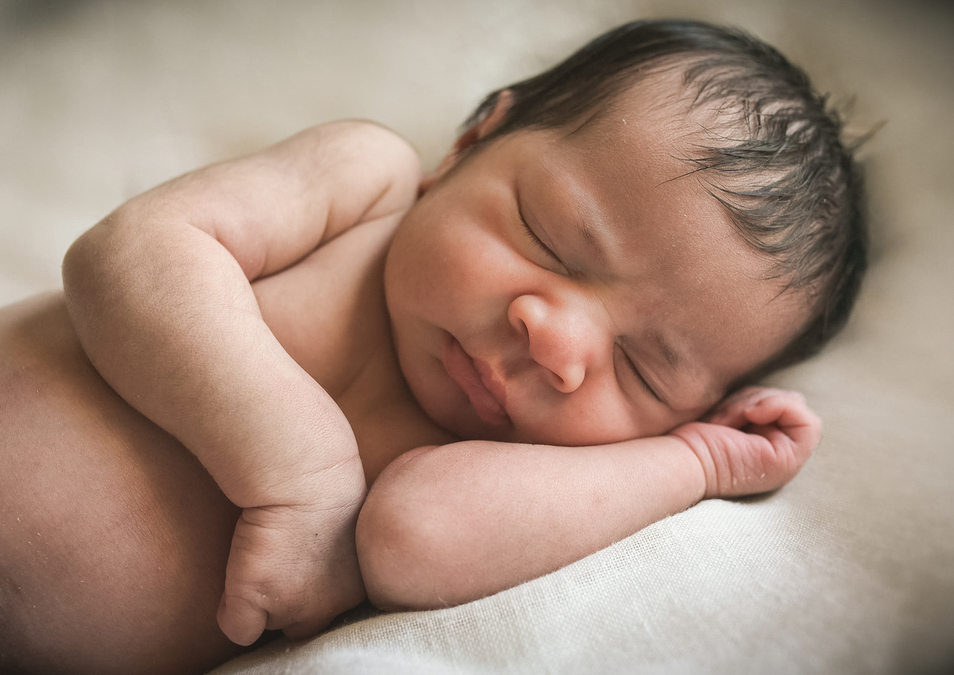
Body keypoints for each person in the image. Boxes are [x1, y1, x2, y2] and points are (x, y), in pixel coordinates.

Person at [0, 19, 866, 675]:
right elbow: (130, 252)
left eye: (642, 368)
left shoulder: (506, 464)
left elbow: (415, 539)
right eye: (550, 238)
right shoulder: (363, 185)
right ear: (473, 141)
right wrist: (299, 470)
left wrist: (693, 463)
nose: (555, 339)